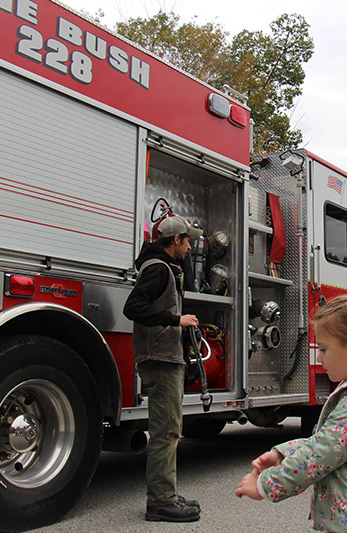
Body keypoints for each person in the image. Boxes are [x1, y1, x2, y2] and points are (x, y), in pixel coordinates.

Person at [235, 295, 347, 532]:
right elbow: (335, 443)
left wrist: (264, 486)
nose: (319, 357)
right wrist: (284, 453)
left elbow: (320, 455)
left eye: (324, 349)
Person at [123, 214, 203, 522]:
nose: (190, 247)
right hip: (160, 359)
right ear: (175, 241)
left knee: (169, 429)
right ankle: (160, 501)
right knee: (166, 431)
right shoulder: (157, 268)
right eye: (188, 241)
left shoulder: (163, 267)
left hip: (164, 356)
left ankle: (166, 492)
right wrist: (175, 320)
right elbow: (133, 307)